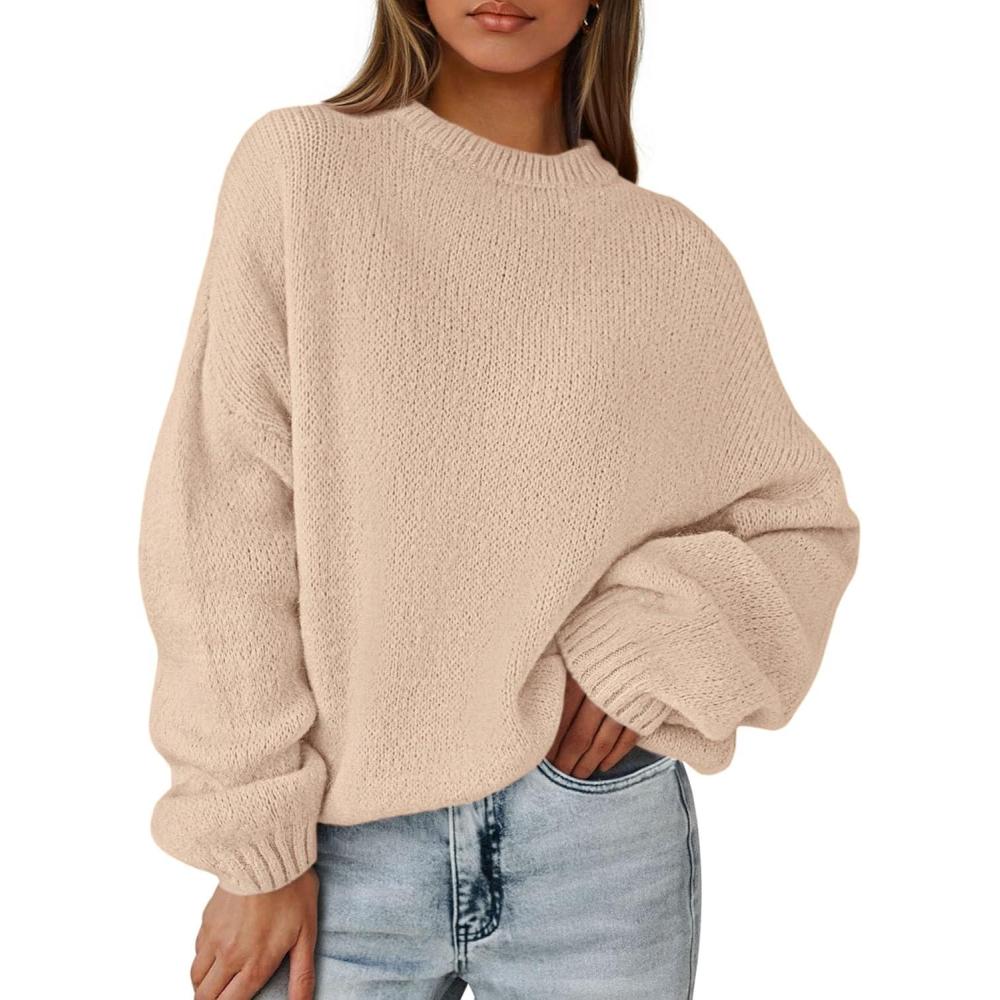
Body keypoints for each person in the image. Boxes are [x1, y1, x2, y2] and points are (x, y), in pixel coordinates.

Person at [137, 1, 860, 997]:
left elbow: (799, 525)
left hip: (595, 840)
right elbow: (222, 518)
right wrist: (255, 839)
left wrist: (641, 650)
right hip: (337, 844)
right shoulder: (303, 172)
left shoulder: (669, 255)